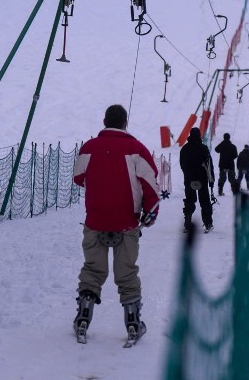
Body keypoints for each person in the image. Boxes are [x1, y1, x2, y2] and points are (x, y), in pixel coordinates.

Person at [72, 104, 160, 344]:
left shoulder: (88, 148)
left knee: (93, 269)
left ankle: (83, 317)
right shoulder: (137, 149)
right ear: (125, 122)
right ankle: (132, 323)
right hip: (126, 222)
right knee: (127, 272)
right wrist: (150, 211)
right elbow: (151, 185)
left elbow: (78, 177)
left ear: (104, 121)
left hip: (96, 220)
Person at [179, 127, 215, 233]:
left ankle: (187, 224)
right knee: (205, 202)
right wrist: (211, 181)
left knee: (189, 201)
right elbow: (209, 166)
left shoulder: (184, 149)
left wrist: (187, 173)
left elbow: (182, 164)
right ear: (199, 135)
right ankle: (208, 223)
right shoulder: (203, 148)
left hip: (189, 179)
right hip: (202, 179)